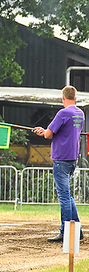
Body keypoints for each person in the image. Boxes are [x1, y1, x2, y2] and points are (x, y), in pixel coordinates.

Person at [33, 85, 84, 242]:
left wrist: (43, 132)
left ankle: (65, 231)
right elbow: (65, 132)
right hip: (72, 158)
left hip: (61, 159)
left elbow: (48, 135)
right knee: (67, 195)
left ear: (63, 98)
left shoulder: (63, 113)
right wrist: (47, 131)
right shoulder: (80, 114)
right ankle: (78, 231)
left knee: (63, 196)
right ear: (75, 98)